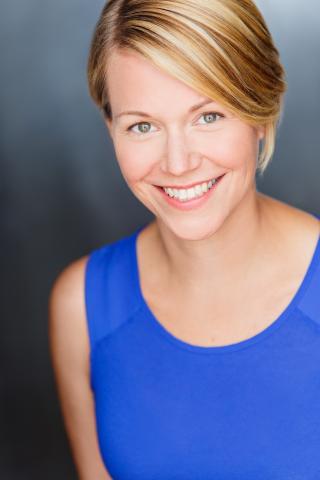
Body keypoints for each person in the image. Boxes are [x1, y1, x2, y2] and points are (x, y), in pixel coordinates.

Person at [48, 0, 320, 479]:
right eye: (143, 126)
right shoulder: (82, 305)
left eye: (208, 116)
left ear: (259, 111)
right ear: (111, 129)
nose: (176, 163)